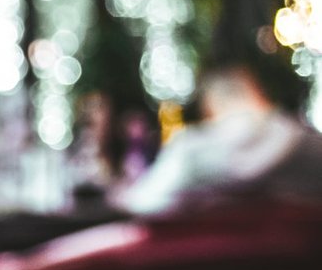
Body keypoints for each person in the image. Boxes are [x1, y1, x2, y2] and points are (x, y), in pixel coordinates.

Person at [116, 65, 322, 214]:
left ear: (209, 106)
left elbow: (142, 202)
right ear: (257, 94)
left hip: (205, 269)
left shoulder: (190, 150)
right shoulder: (308, 143)